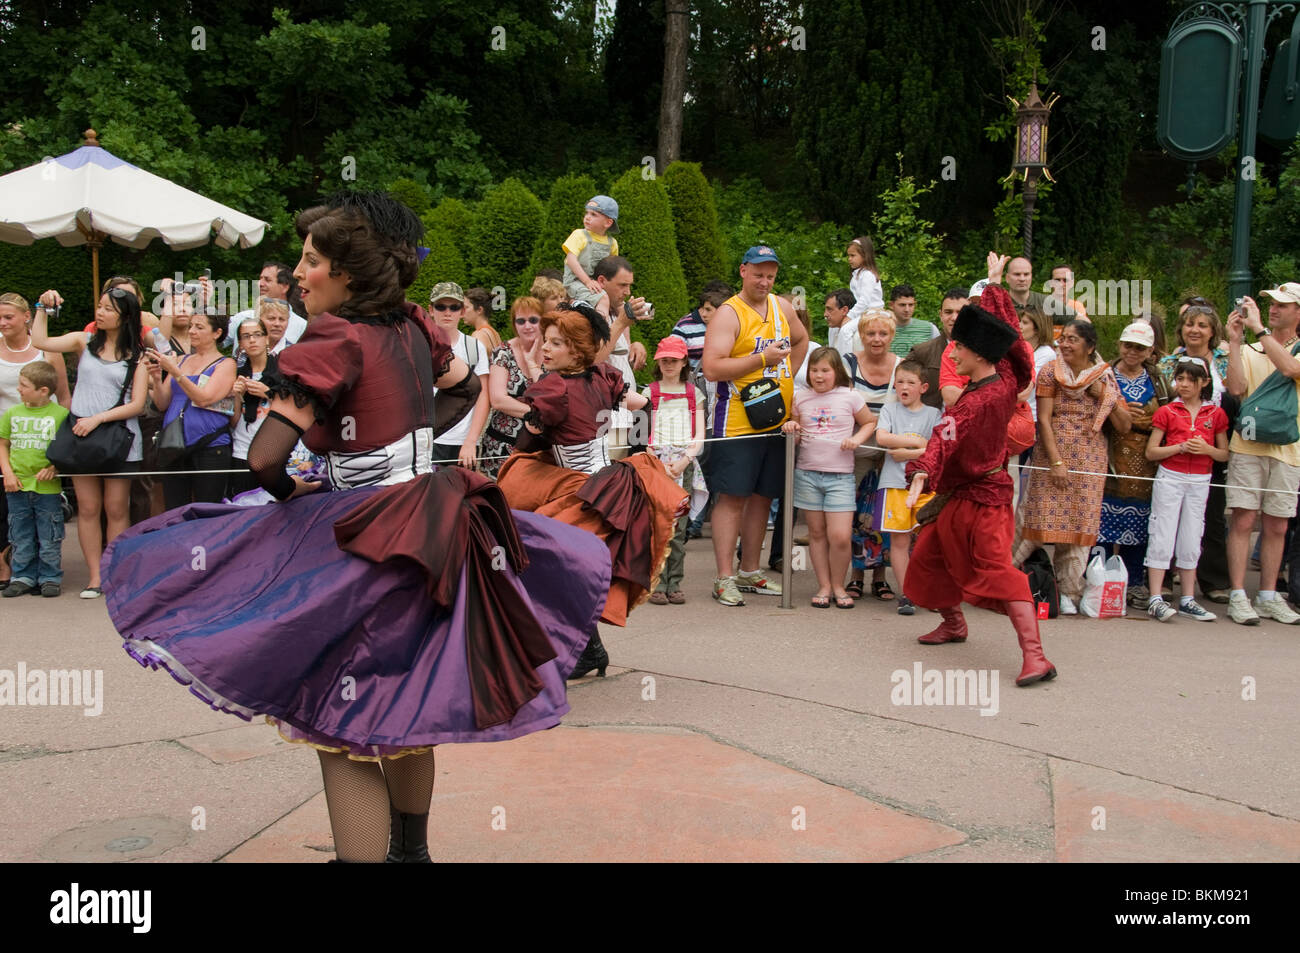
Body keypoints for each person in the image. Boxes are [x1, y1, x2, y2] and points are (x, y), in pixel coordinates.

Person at [101, 190, 611, 864]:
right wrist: (400, 423)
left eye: (312, 262)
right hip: (432, 522)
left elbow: (262, 458)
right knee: (406, 708)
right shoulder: (412, 326)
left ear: (347, 274)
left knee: (337, 728)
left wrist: (298, 487)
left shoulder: (335, 336)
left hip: (363, 534)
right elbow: (464, 384)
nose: (298, 274)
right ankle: (411, 853)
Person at [497, 304, 687, 676]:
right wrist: (635, 453)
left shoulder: (552, 388)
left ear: (578, 350)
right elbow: (644, 405)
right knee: (569, 572)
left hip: (586, 495)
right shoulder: (604, 376)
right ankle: (587, 650)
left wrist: (521, 459)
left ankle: (570, 651)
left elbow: (525, 446)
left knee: (539, 562)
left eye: (556, 343)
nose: (545, 348)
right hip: (612, 486)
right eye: (546, 341)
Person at [901, 254, 1055, 688]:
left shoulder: (976, 401)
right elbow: (1007, 335)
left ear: (979, 353)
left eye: (961, 347)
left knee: (996, 572)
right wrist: (991, 285)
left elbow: (941, 441)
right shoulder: (1003, 378)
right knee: (929, 559)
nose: (955, 351)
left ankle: (1037, 657)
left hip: (985, 502)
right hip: (960, 496)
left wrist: (921, 473)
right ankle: (953, 624)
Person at [701, 245, 809, 606]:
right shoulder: (729, 314)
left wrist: (786, 378)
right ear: (743, 271)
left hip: (775, 419)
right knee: (733, 496)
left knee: (763, 495)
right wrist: (763, 359)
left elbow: (802, 339)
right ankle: (723, 577)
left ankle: (750, 570)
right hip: (735, 420)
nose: (764, 281)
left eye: (771, 275)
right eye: (758, 273)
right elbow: (712, 367)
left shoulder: (782, 306)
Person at [32, 287, 150, 599]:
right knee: (87, 507)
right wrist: (41, 307)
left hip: (119, 438)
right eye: (99, 306)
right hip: (81, 436)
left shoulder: (137, 356)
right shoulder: (83, 342)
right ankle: (95, 577)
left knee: (116, 508)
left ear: (124, 317)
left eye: (108, 309)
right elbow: (40, 341)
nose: (100, 313)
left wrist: (99, 417)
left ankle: (115, 573)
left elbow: (138, 404)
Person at [1014, 316, 1131, 613]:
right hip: (1053, 456)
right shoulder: (1051, 372)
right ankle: (1003, 579)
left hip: (1090, 460)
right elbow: (1043, 419)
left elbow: (1125, 425)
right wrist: (1055, 461)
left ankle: (1069, 592)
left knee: (1079, 526)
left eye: (1072, 339)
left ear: (1090, 347)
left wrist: (1105, 396)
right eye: (1062, 338)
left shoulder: (1104, 376)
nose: (1064, 344)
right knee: (1035, 522)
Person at [1223, 287, 1300, 625]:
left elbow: (1290, 370)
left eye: (1282, 305)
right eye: (1271, 304)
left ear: (1298, 312)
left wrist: (1259, 330)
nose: (1273, 310)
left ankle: (1268, 595)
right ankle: (1238, 595)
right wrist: (1236, 343)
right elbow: (1236, 389)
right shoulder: (1253, 345)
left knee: (1278, 524)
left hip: (1288, 450)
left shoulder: (1285, 346)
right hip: (1248, 445)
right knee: (1242, 519)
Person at [784, 347, 875, 608]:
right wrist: (792, 427)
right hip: (807, 473)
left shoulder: (850, 396)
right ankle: (824, 585)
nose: (819, 376)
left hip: (840, 477)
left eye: (825, 370)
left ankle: (839, 584)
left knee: (840, 536)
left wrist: (856, 439)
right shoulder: (800, 397)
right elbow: (797, 435)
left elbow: (869, 422)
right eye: (814, 370)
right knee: (816, 533)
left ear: (837, 372)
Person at [1143, 357, 1229, 622]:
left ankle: (1189, 598)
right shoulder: (1167, 411)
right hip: (1171, 476)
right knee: (1162, 532)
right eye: (1180, 378)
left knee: (1193, 535)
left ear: (1204, 382)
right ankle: (1155, 596)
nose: (1185, 384)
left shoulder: (1215, 413)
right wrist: (1179, 448)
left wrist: (1207, 450)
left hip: (1200, 480)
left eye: (1191, 379)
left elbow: (1224, 454)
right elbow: (1151, 451)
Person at [1159, 301, 1233, 603]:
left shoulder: (1224, 361)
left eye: (1203, 325)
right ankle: (1162, 578)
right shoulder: (1167, 363)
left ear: (1213, 331)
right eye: (1190, 324)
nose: (1195, 330)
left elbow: (1237, 392)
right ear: (1181, 329)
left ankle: (1212, 580)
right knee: (1165, 518)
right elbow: (1161, 399)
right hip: (1172, 448)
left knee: (1212, 517)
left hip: (1211, 447)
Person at [0, 293, 70, 590]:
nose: (2, 322)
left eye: (7, 316)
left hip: (43, 438)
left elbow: (64, 397)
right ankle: (17, 571)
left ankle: (49, 573)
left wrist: (61, 452)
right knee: (14, 517)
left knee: (45, 520)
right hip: (8, 433)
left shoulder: (47, 350)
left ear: (26, 317)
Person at [1100, 322, 1173, 607]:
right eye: (1128, 345)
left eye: (1139, 347)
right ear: (1119, 345)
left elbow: (1170, 413)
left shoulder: (1158, 380)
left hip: (1146, 458)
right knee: (1104, 520)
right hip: (1110, 452)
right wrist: (1119, 413)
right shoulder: (1105, 375)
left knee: (1141, 519)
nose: (1132, 351)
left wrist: (1146, 420)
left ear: (1150, 351)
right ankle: (1102, 579)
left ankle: (1134, 583)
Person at [873, 359, 942, 615]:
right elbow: (882, 438)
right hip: (894, 484)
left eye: (910, 382)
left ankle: (930, 592)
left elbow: (936, 449)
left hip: (924, 485)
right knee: (899, 542)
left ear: (923, 387)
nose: (904, 386)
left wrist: (906, 452)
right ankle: (907, 594)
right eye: (899, 381)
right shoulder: (889, 410)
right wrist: (915, 445)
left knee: (928, 541)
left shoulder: (934, 414)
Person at [148, 311, 237, 508]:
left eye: (199, 327)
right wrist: (156, 377)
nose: (192, 331)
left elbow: (205, 398)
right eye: (191, 326)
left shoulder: (226, 364)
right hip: (175, 444)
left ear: (217, 333)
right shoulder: (181, 360)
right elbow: (162, 403)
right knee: (175, 508)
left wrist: (175, 372)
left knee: (207, 508)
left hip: (210, 445)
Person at [642, 336, 707, 605]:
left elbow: (700, 435)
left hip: (683, 463)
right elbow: (642, 433)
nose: (669, 364)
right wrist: (654, 460)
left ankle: (675, 581)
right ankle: (655, 581)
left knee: (677, 527)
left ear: (684, 362)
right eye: (664, 360)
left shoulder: (695, 393)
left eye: (674, 360)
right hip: (656, 463)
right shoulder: (649, 392)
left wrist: (684, 460)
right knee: (656, 524)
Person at [844, 309, 901, 601]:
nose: (876, 339)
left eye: (883, 333)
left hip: (892, 455)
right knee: (856, 515)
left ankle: (881, 578)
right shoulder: (848, 364)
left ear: (892, 336)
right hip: (857, 451)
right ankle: (855, 576)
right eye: (870, 333)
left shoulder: (903, 367)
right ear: (861, 336)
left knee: (885, 516)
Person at [481, 296, 545, 480]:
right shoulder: (503, 352)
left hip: (539, 447)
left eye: (533, 320)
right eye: (521, 321)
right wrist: (537, 415)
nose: (527, 326)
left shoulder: (551, 351)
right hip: (502, 445)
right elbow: (498, 399)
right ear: (514, 324)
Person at [428, 282, 489, 469]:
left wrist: (471, 441)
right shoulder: (420, 345)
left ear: (462, 312)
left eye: (454, 307)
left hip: (461, 441)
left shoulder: (474, 346)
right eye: (441, 306)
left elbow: (483, 394)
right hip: (427, 440)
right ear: (431, 310)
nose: (447, 312)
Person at [228, 317, 277, 497]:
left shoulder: (282, 371)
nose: (252, 340)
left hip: (275, 451)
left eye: (257, 335)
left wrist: (268, 393)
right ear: (240, 343)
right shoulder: (236, 374)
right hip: (242, 450)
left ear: (266, 338)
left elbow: (295, 407)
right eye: (246, 336)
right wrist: (236, 397)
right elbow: (232, 422)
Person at [223, 262, 307, 350]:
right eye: (260, 278)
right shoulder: (242, 318)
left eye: (267, 280)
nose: (260, 284)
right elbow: (216, 340)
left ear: (284, 287)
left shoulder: (301, 327)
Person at [906, 288, 966, 411]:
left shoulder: (983, 354)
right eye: (948, 312)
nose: (954, 317)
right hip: (931, 424)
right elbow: (903, 387)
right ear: (941, 315)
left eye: (960, 312)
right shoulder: (921, 352)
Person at [562, 195, 621, 311]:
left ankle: (617, 327)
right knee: (603, 299)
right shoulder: (579, 235)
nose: (587, 217)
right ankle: (601, 328)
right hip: (575, 282)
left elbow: (611, 270)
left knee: (621, 306)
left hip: (596, 284)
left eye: (593, 215)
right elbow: (571, 260)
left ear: (608, 223)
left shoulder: (612, 243)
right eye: (587, 213)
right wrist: (588, 282)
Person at [837, 236, 884, 357]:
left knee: (846, 330)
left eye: (853, 256)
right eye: (849, 256)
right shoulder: (857, 275)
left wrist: (850, 316)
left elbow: (864, 301)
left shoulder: (867, 275)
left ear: (864, 256)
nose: (849, 259)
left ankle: (846, 362)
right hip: (862, 312)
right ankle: (835, 356)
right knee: (834, 327)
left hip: (872, 312)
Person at [885, 284, 939, 356]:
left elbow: (938, 357)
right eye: (902, 305)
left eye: (910, 305)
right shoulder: (881, 328)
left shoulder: (930, 329)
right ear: (891, 305)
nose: (907, 310)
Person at [463, 287, 502, 352]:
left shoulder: (478, 335)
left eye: (466, 308)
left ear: (479, 310)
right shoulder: (494, 333)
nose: (462, 312)